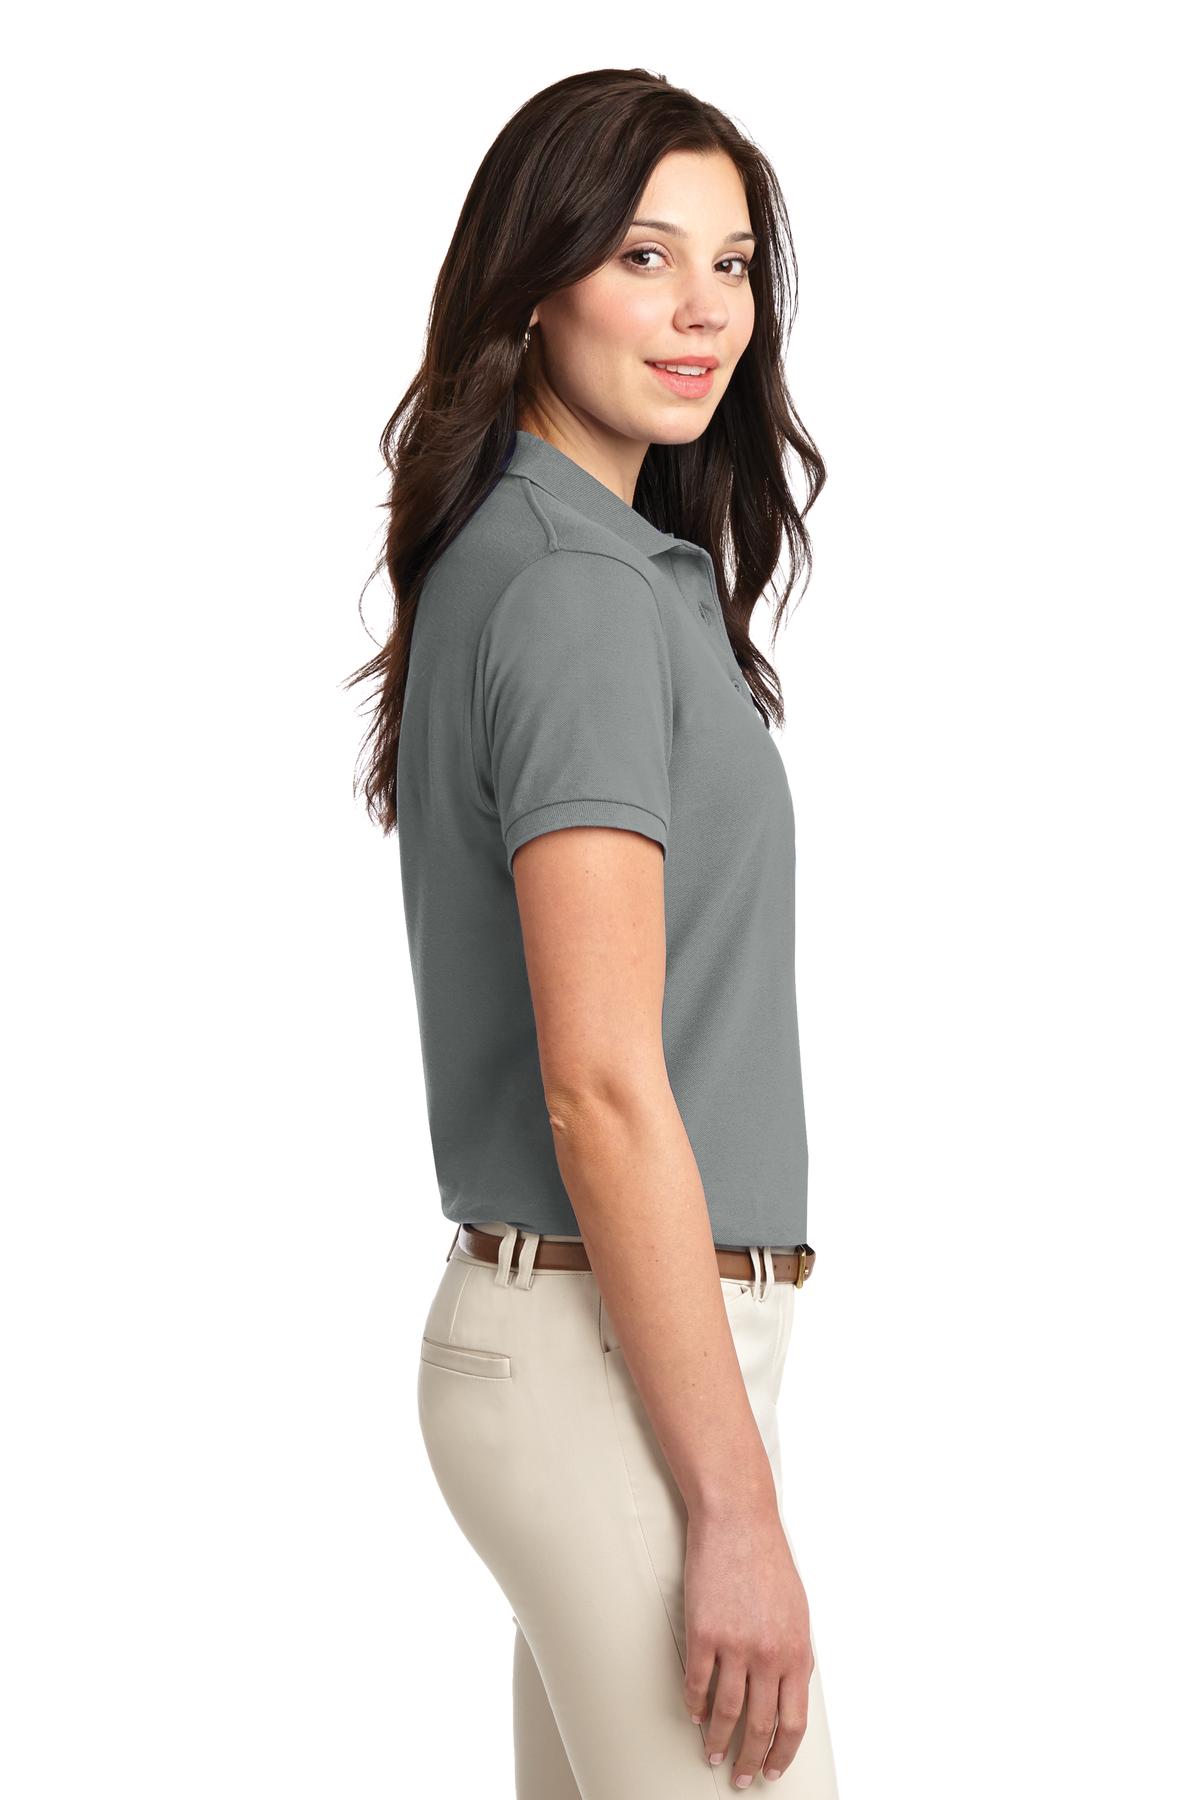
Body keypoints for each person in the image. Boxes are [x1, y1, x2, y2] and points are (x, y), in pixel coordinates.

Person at [348, 67, 838, 1798]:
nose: (705, 309)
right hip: (601, 1361)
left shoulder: (566, 559)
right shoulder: (569, 590)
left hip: (592, 1350)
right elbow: (603, 1089)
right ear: (535, 278)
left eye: (732, 263)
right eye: (644, 256)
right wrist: (735, 1511)